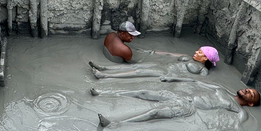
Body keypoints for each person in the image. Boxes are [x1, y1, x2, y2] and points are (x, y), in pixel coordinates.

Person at [91, 83, 261, 131]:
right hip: (182, 97)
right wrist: (175, 78)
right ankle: (104, 93)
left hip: (188, 109)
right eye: (248, 89)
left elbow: (237, 128)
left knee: (155, 112)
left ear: (251, 103)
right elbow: (196, 82)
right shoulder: (222, 89)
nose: (247, 90)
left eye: (250, 94)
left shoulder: (238, 110)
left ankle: (114, 123)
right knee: (144, 92)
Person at [90, 45, 219, 78]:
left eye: (200, 53)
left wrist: (174, 79)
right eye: (197, 50)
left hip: (166, 72)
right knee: (137, 66)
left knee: (138, 72)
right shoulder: (187, 56)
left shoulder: (203, 70)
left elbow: (197, 83)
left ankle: (105, 76)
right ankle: (104, 67)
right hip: (162, 65)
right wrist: (152, 52)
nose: (196, 52)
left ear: (206, 58)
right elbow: (169, 54)